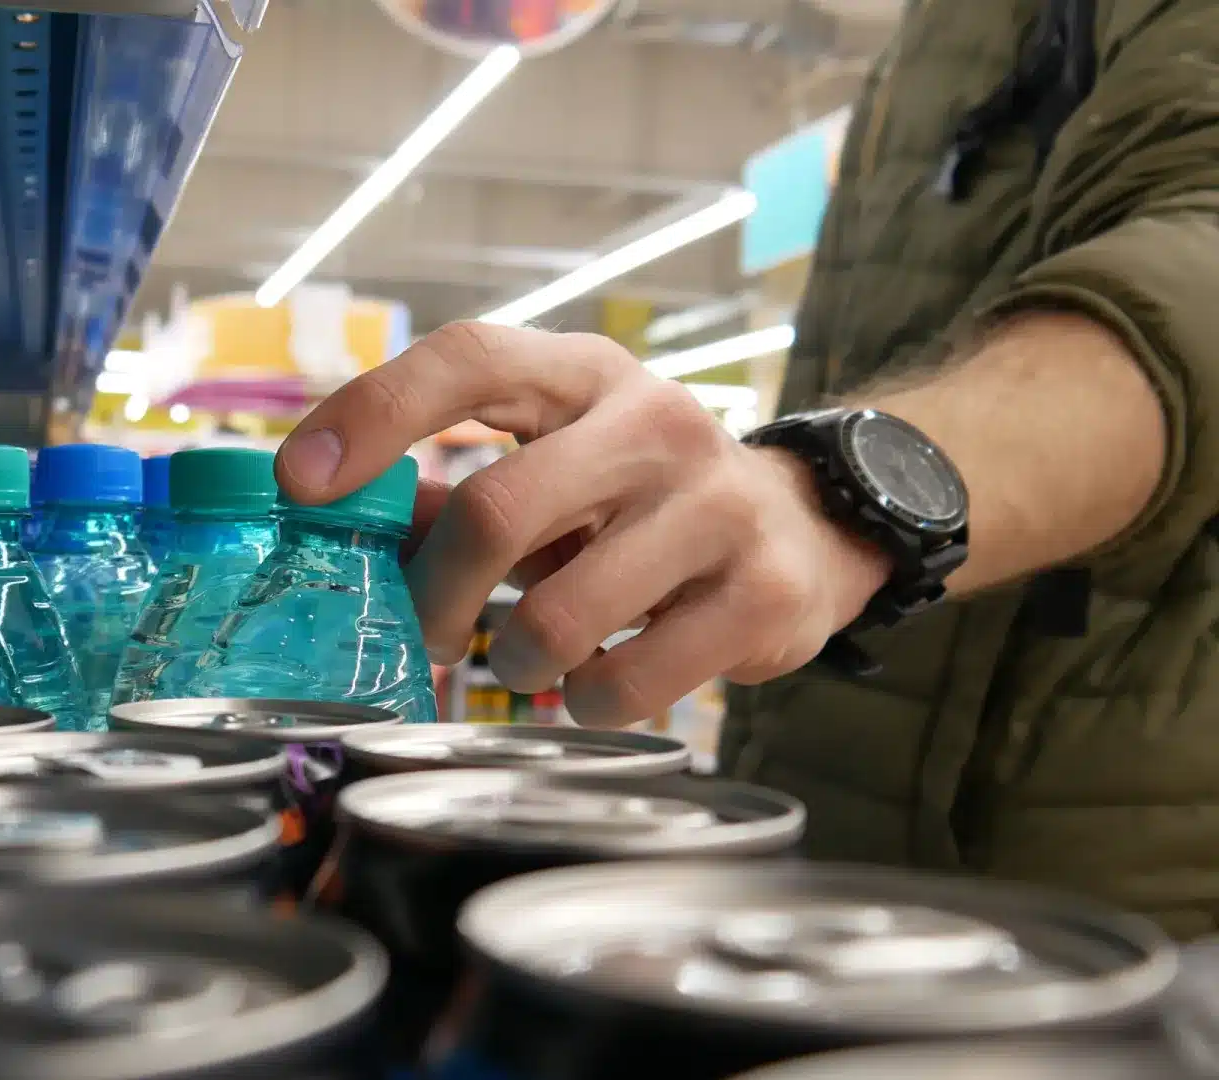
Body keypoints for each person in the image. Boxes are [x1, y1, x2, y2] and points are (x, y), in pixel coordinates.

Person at [274, 0, 1219, 938]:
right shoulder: (932, 37)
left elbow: (1198, 252)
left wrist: (837, 498)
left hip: (1092, 928)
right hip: (833, 880)